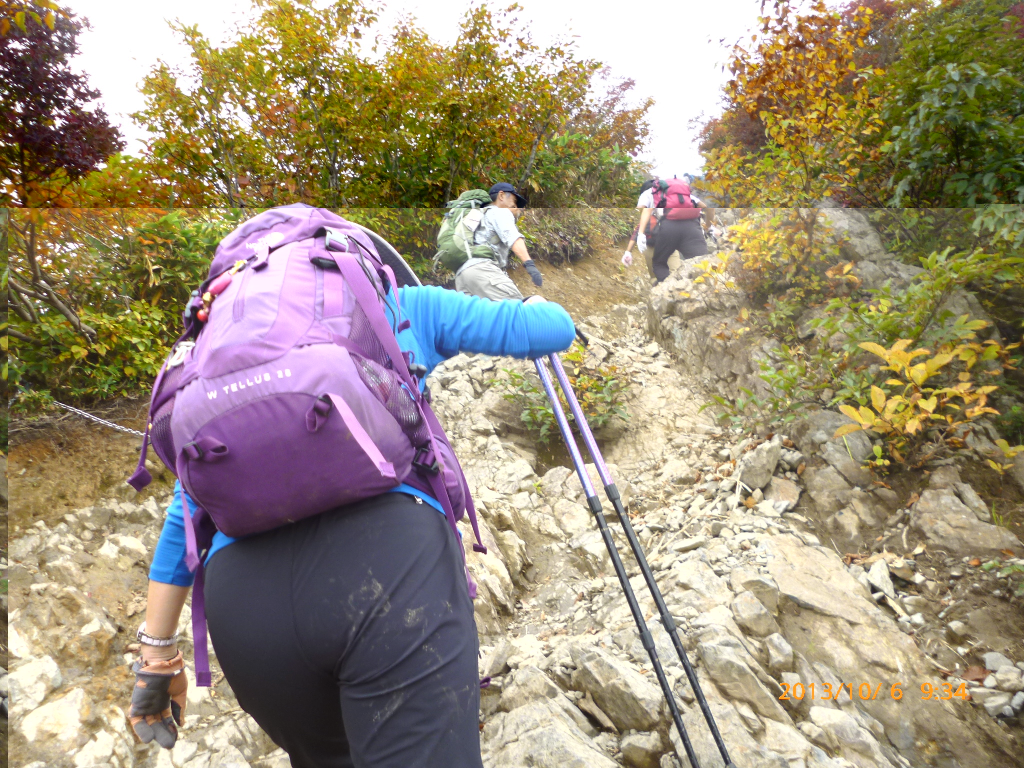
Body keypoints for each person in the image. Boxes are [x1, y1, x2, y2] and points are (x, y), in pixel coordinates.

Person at [128, 283, 576, 767]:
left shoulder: (215, 359)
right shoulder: (391, 306)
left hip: (245, 611)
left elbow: (186, 513)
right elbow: (550, 331)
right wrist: (536, 305)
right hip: (391, 576)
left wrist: (157, 654)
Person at [453, 182, 543, 301]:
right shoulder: (500, 211)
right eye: (514, 201)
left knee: (486, 318)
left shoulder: (478, 214)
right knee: (517, 310)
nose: (515, 206)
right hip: (483, 270)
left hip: (462, 276)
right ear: (501, 196)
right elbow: (512, 237)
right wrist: (530, 265)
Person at [634, 178, 715, 284]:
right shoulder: (681, 193)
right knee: (702, 263)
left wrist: (640, 233)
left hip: (668, 228)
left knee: (659, 263)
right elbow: (708, 208)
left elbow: (643, 210)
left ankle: (668, 290)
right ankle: (705, 289)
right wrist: (708, 227)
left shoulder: (647, 194)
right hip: (692, 227)